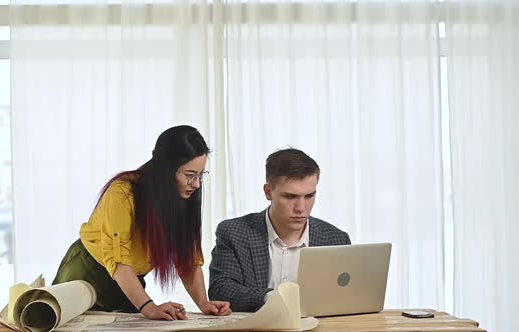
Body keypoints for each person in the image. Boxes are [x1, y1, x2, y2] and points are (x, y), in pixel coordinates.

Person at [53, 125, 231, 320]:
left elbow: (188, 261)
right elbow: (118, 260)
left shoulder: (181, 199)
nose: (196, 184)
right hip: (86, 275)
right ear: (165, 169)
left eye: (200, 175)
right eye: (190, 176)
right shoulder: (122, 192)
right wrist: (149, 307)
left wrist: (204, 303)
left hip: (128, 284)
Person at [208, 148, 351, 312]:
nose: (301, 208)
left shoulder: (336, 239)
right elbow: (220, 289)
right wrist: (272, 298)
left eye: (309, 196)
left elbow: (345, 298)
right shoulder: (233, 232)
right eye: (290, 197)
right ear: (268, 192)